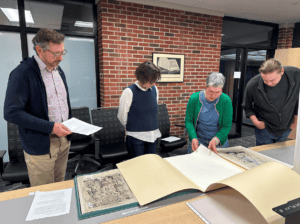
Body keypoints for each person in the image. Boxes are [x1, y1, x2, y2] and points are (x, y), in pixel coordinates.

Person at [4, 28, 72, 187]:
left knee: (59, 185)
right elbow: (11, 113)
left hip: (63, 140)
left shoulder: (58, 70)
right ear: (39, 50)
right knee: (44, 194)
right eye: (55, 54)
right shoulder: (22, 73)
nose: (60, 58)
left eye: (62, 52)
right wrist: (50, 127)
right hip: (41, 144)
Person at [242, 58, 299, 146]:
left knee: (279, 154)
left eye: (272, 80)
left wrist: (295, 121)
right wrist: (256, 122)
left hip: (286, 127)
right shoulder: (253, 84)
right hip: (265, 128)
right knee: (263, 156)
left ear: (282, 71)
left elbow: (296, 100)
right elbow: (247, 106)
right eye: (265, 80)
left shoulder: (296, 75)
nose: (268, 83)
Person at [117, 61, 161, 159]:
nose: (154, 83)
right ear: (142, 79)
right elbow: (122, 116)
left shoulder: (155, 90)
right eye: (151, 81)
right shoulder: (129, 92)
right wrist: (133, 126)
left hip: (153, 135)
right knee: (137, 166)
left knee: (151, 164)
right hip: (135, 136)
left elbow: (153, 110)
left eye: (155, 80)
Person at [185, 72, 233, 154]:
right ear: (205, 86)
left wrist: (216, 139)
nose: (213, 95)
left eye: (217, 92)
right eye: (211, 91)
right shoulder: (194, 98)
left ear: (221, 90)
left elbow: (226, 126)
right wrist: (193, 137)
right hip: (198, 140)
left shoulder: (226, 100)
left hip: (218, 141)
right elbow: (189, 121)